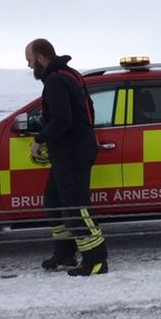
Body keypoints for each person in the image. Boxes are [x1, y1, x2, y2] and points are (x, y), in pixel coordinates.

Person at [25, 38, 108, 276]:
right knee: (54, 202)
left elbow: (63, 120)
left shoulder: (55, 81)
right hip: (68, 152)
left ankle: (96, 260)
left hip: (73, 152)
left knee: (77, 206)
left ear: (41, 58)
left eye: (30, 61)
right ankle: (64, 254)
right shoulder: (68, 74)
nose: (30, 67)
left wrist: (39, 139)